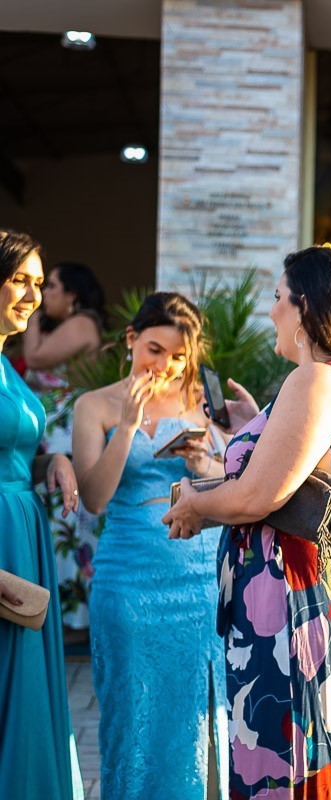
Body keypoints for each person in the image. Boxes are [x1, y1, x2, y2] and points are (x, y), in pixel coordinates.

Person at [163, 247, 331, 798]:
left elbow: (256, 497)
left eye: (278, 298)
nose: (270, 312)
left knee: (286, 763)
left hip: (291, 595)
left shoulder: (317, 381)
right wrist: (248, 428)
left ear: (305, 306)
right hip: (301, 587)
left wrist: (194, 500)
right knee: (295, 755)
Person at [72, 292, 229, 799]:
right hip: (129, 582)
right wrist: (128, 426)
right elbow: (93, 498)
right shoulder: (93, 406)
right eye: (155, 349)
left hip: (199, 581)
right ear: (131, 340)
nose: (165, 365)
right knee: (132, 714)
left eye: (179, 356)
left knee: (199, 721)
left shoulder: (207, 402)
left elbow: (237, 486)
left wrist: (205, 467)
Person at [0, 229, 84, 800]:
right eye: (20, 280)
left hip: (22, 532)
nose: (32, 295)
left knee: (25, 683)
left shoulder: (8, 364)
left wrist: (51, 460)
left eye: (38, 282)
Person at [22, 261, 105, 627]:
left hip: (66, 440)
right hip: (53, 441)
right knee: (62, 529)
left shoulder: (82, 322)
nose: (43, 295)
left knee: (68, 528)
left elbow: (35, 358)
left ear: (72, 294)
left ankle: (74, 620)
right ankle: (63, 616)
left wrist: (31, 311)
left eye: (49, 287)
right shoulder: (69, 326)